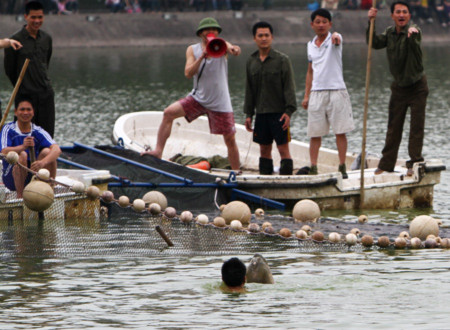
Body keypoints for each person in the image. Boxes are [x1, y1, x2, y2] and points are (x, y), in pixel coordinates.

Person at [141, 17, 241, 171]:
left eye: (214, 30)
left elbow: (232, 49)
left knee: (230, 138)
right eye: (207, 30)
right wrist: (202, 56)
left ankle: (236, 172)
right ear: (201, 33)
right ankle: (158, 151)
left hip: (220, 101)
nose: (211, 32)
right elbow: (188, 73)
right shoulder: (192, 49)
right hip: (198, 98)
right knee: (168, 113)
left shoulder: (221, 44)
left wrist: (234, 49)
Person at [367, 1, 428, 176]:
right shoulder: (389, 33)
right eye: (398, 12)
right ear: (393, 15)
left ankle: (414, 162)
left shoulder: (414, 31)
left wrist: (412, 33)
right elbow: (374, 42)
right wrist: (371, 22)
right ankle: (386, 164)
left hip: (417, 86)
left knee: (416, 127)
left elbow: (416, 37)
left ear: (409, 15)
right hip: (399, 88)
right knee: (393, 127)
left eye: (405, 12)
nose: (401, 15)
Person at [302, 8, 354, 179]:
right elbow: (310, 71)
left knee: (340, 131)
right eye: (318, 22)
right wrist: (306, 95)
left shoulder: (335, 39)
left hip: (337, 90)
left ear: (330, 24)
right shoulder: (310, 45)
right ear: (312, 25)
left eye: (325, 22)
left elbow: (337, 39)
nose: (321, 25)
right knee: (314, 133)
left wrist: (336, 38)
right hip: (316, 92)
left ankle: (342, 166)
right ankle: (314, 166)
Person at [244, 21, 297, 175]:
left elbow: (289, 87)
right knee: (264, 149)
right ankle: (265, 180)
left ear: (272, 37)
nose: (264, 38)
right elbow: (249, 90)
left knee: (283, 149)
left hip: (279, 113)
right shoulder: (251, 61)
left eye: (267, 35)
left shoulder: (282, 60)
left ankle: (287, 182)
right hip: (261, 114)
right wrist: (249, 114)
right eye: (260, 35)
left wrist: (289, 112)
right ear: (255, 38)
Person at [4, 1, 56, 138]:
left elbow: (46, 63)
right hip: (25, 96)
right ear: (26, 17)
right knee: (23, 137)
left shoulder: (46, 39)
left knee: (47, 136)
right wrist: (24, 86)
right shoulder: (15, 40)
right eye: (33, 17)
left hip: (45, 95)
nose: (37, 21)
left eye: (40, 17)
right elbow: (9, 70)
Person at [0, 99, 61, 198]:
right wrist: (22, 147)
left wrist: (43, 162)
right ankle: (20, 196)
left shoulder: (38, 131)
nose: (25, 113)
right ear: (16, 112)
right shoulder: (8, 129)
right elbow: (3, 151)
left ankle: (49, 190)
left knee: (47, 152)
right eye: (22, 109)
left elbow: (57, 149)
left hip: (33, 174)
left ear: (33, 112)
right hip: (12, 177)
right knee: (22, 155)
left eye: (28, 110)